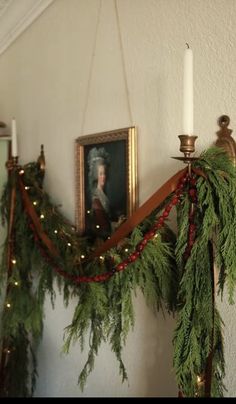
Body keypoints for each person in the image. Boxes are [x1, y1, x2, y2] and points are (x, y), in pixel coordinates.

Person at [87, 146, 112, 240]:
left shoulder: (104, 193)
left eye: (104, 173)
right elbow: (104, 226)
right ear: (95, 175)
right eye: (101, 174)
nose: (103, 176)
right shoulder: (95, 198)